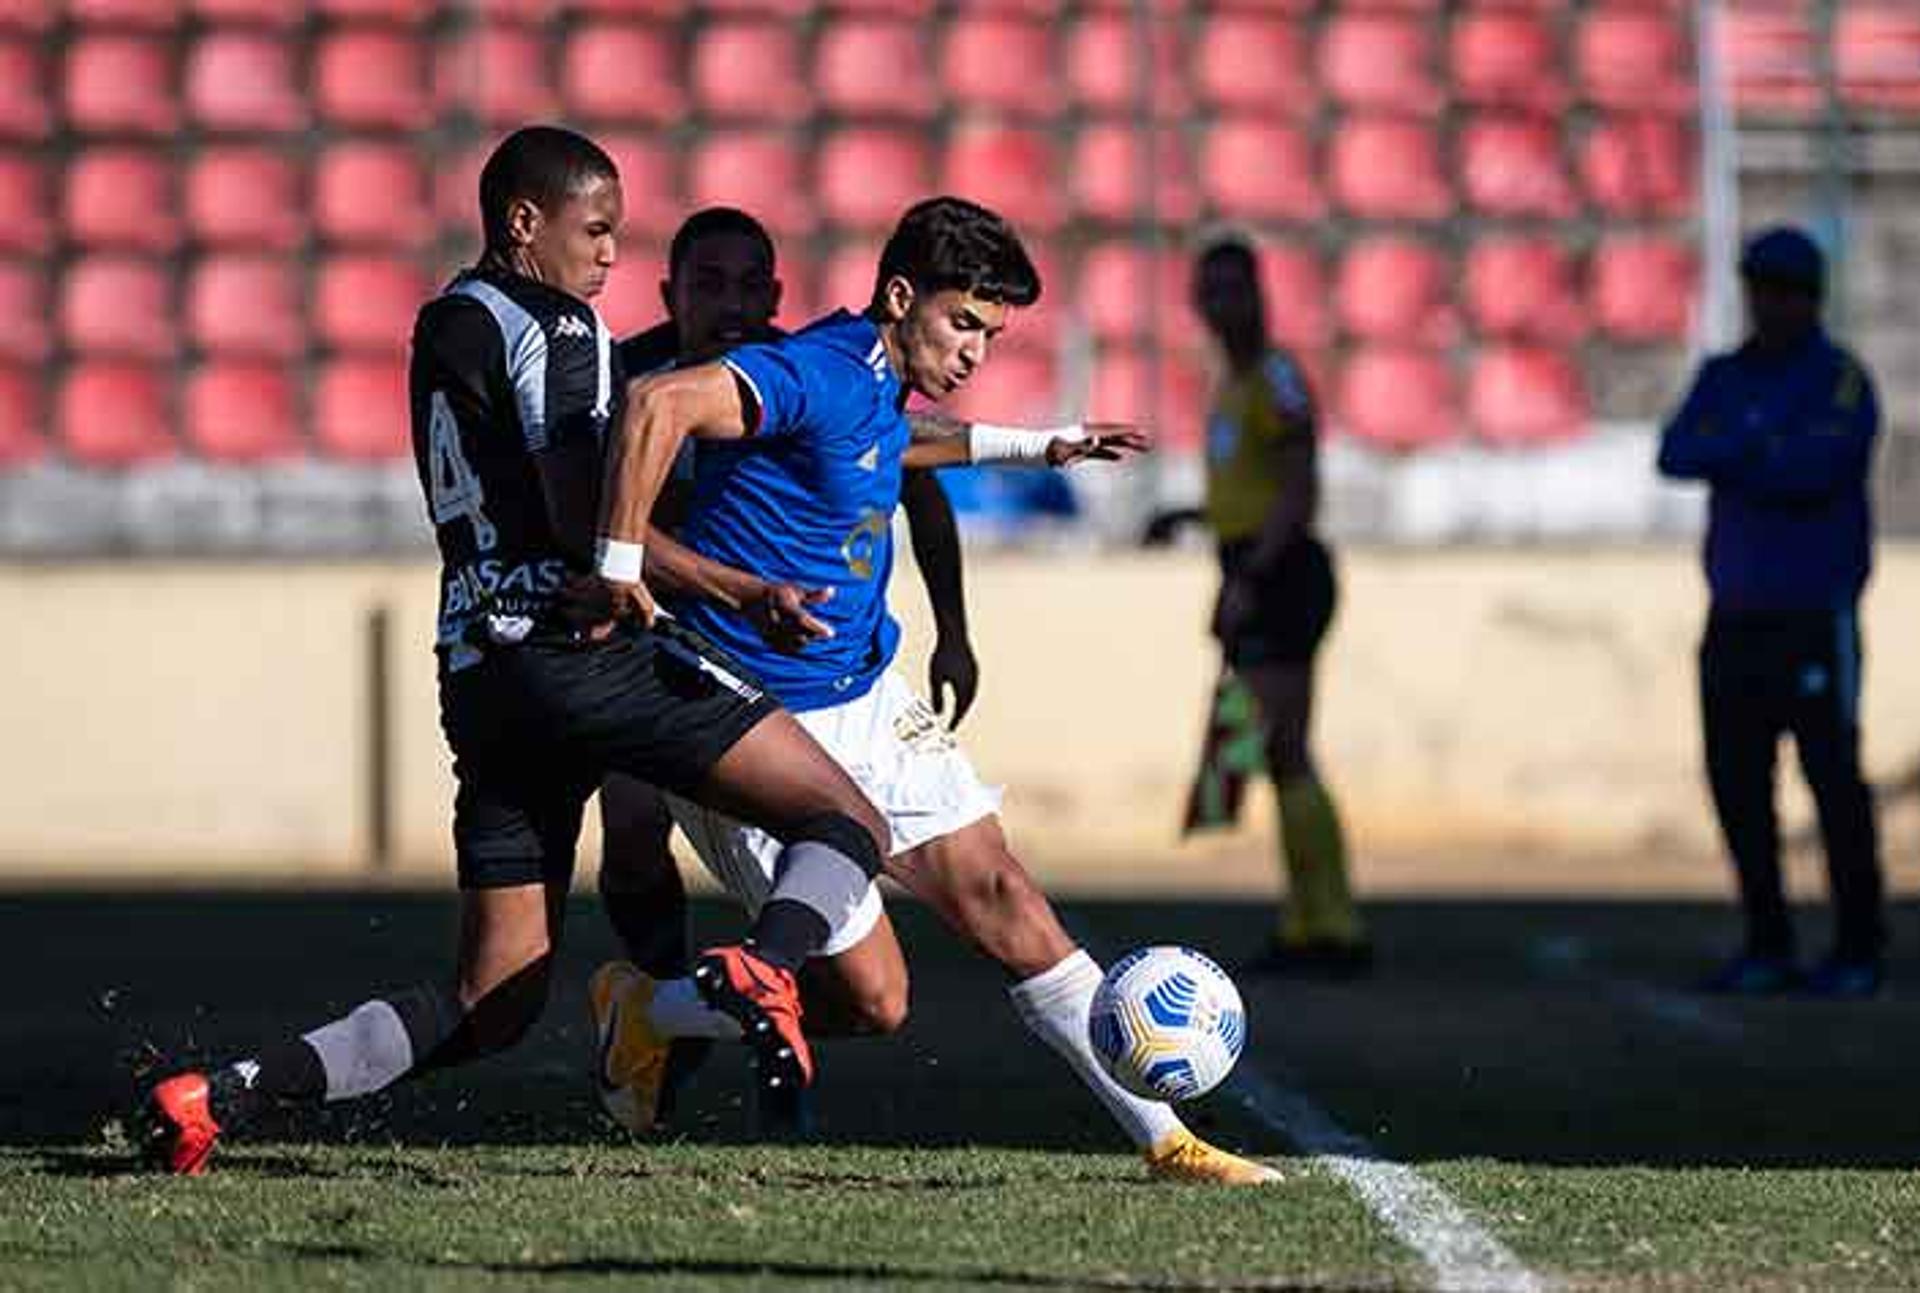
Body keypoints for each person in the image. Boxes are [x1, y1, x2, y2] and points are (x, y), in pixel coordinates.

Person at [136, 125, 891, 1174]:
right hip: (575, 644)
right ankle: (765, 969)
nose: (612, 255)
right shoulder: (563, 327)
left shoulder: (445, 320)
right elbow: (585, 516)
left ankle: (223, 1095)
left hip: (479, 672)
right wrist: (736, 587)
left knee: (494, 1000)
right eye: (597, 229)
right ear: (523, 222)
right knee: (847, 814)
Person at [589, 196, 1279, 1184]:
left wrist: (1035, 444)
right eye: (963, 325)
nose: (973, 352)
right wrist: (619, 563)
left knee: (1004, 892)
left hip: (865, 693)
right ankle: (646, 1011)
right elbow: (660, 405)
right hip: (751, 722)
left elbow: (900, 442)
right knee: (874, 1003)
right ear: (901, 296)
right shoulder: (815, 368)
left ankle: (1166, 1140)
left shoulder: (872, 379)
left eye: (990, 336)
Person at [591, 205, 980, 1129]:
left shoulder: (803, 372)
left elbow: (915, 486)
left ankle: (681, 1027)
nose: (729, 303)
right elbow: (596, 524)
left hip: (779, 663)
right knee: (636, 828)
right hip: (649, 641)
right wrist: (724, 585)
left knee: (852, 935)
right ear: (668, 295)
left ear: (774, 294)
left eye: (747, 285)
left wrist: (954, 629)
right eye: (706, 285)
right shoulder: (627, 380)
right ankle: (651, 1009)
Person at [1657, 225, 1884, 998]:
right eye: (1759, 286)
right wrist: (1762, 445)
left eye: (1781, 289)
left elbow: (1818, 467)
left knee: (1833, 782)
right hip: (1737, 614)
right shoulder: (1725, 374)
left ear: (1810, 298)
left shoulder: (1840, 378)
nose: (1766, 303)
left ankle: (1858, 945)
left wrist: (1745, 445)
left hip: (1814, 613)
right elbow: (1678, 450)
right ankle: (1769, 940)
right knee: (1738, 784)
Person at [1189, 233, 1366, 976]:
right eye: (1213, 290)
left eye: (1237, 288)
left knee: (1287, 746)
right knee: (1280, 749)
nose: (1225, 304)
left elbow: (1298, 487)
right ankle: (1312, 918)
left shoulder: (1276, 378)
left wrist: (1251, 576)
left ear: (1260, 293)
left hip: (1282, 572)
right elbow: (1254, 487)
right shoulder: (1234, 383)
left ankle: (1328, 925)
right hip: (1258, 564)